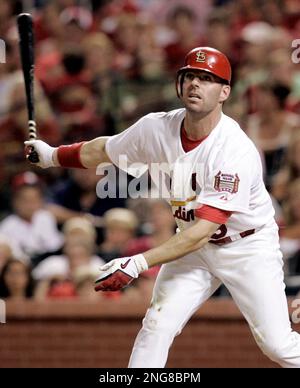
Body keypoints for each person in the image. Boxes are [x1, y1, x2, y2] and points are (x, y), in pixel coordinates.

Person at [25, 47, 300, 368]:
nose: (196, 84)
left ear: (225, 92)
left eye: (207, 79)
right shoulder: (155, 128)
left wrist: (138, 262)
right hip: (193, 248)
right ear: (179, 84)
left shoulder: (234, 150)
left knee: (278, 346)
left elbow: (203, 230)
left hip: (246, 248)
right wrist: (51, 155)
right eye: (191, 76)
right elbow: (103, 150)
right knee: (156, 325)